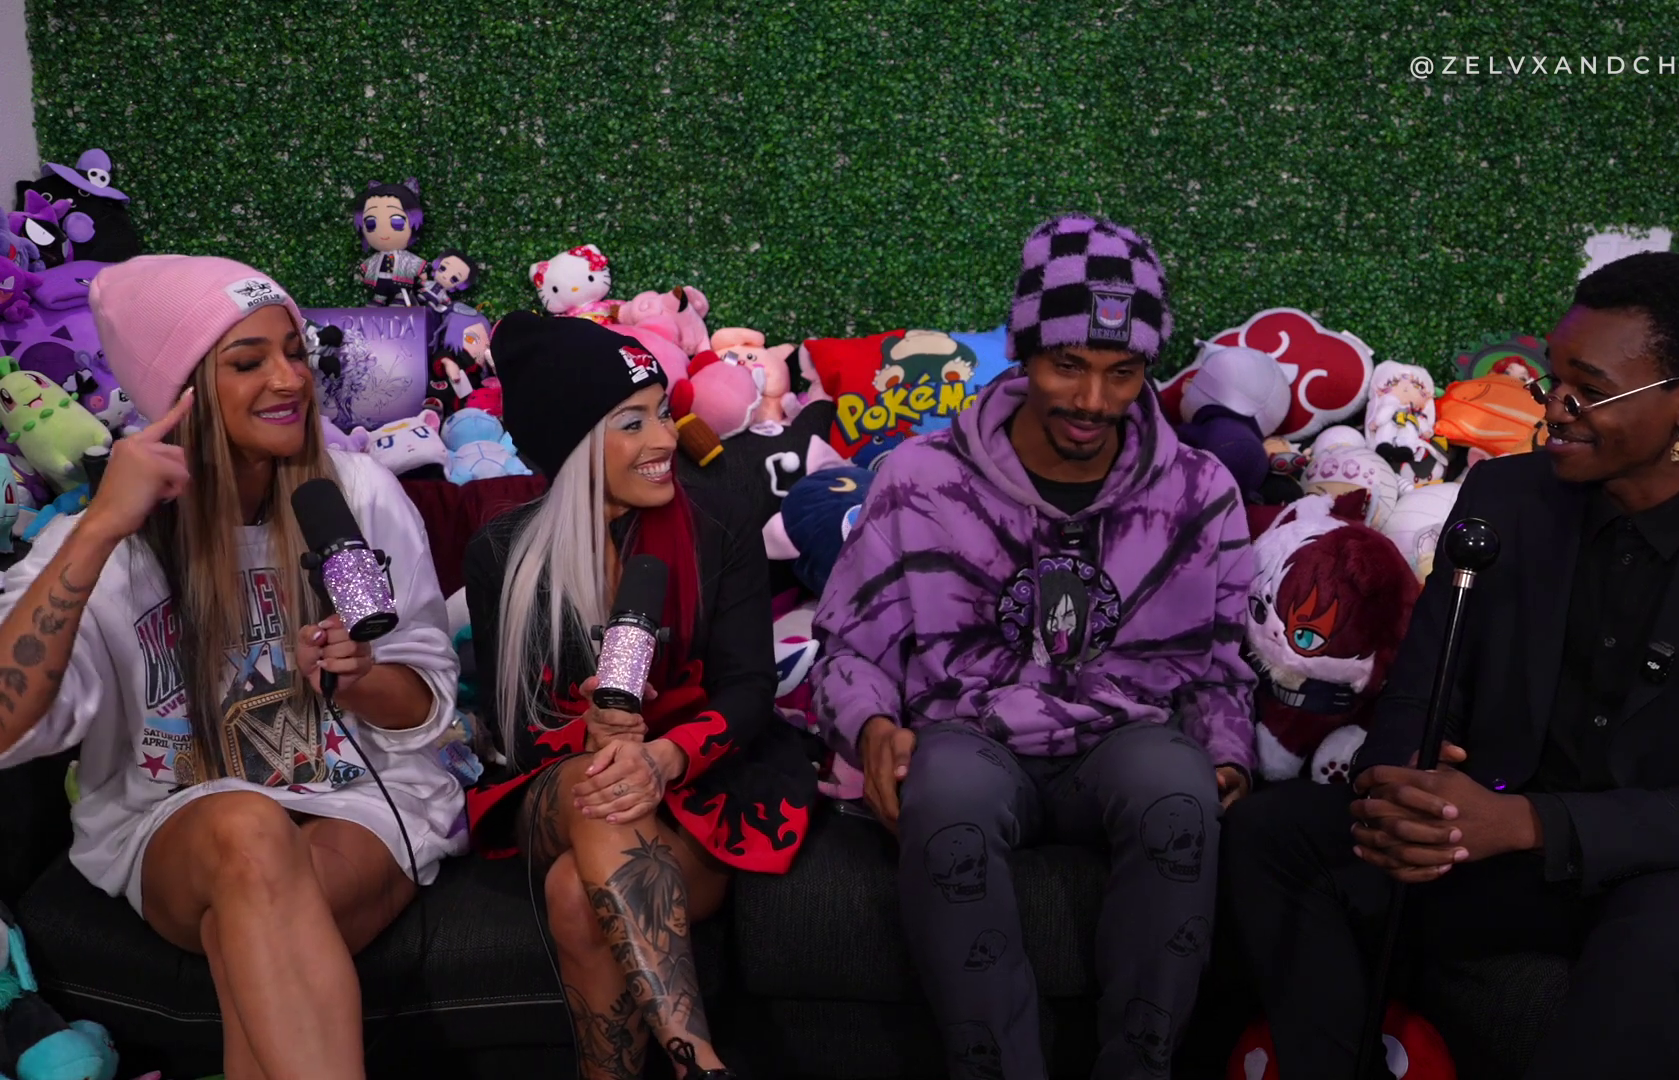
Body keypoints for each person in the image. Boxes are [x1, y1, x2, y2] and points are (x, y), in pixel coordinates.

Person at [1224, 251, 1679, 1080]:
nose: (1554, 408)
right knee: (1273, 835)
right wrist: (1404, 787)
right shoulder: (1505, 499)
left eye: (1589, 390)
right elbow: (1421, 691)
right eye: (1554, 378)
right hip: (1505, 848)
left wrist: (1530, 823)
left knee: (1658, 940)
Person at [812, 213, 1258, 1079]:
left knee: (1177, 795)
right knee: (945, 797)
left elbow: (1225, 663)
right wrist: (871, 728)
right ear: (1022, 353)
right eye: (1068, 366)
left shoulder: (1200, 492)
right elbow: (849, 648)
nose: (1093, 402)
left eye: (1122, 372)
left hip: (1128, 736)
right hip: (969, 733)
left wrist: (1227, 753)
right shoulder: (922, 478)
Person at [0, 255, 467, 1080]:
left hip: (358, 802)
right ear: (177, 395)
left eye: (294, 351)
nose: (290, 379)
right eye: (248, 362)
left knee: (253, 935)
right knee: (249, 834)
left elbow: (424, 707)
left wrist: (361, 675)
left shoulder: (357, 493)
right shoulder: (105, 540)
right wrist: (100, 527)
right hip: (177, 819)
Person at [464, 313, 816, 1080]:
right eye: (632, 422)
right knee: (600, 787)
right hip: (556, 784)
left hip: (699, 782)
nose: (664, 439)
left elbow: (749, 687)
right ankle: (702, 1064)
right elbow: (513, 732)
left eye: (662, 412)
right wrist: (596, 735)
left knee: (576, 894)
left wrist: (661, 755)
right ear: (573, 445)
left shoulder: (721, 522)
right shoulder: (502, 552)